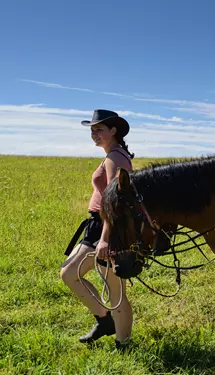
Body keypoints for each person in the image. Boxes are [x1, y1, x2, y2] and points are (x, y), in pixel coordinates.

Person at [60, 109, 134, 349]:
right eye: (92, 130)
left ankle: (123, 343)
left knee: (115, 288)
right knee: (69, 273)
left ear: (113, 130)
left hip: (107, 226)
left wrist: (105, 239)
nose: (94, 134)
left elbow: (115, 202)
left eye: (99, 129)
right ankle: (104, 321)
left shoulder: (116, 157)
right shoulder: (111, 155)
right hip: (96, 225)